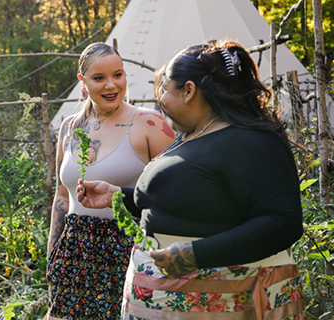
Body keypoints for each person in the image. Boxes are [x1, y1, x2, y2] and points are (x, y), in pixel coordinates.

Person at [77, 40, 306, 319]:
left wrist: (195, 254)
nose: (159, 97)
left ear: (188, 91)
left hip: (228, 303)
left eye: (164, 88)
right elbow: (186, 201)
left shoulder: (250, 141)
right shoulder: (190, 135)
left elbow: (283, 222)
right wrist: (118, 196)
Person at [46, 42, 175, 320]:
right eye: (99, 78)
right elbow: (62, 197)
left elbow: (176, 194)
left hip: (130, 247)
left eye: (118, 75)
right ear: (83, 81)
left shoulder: (150, 124)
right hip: (75, 251)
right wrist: (53, 257)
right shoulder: (69, 127)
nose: (111, 85)